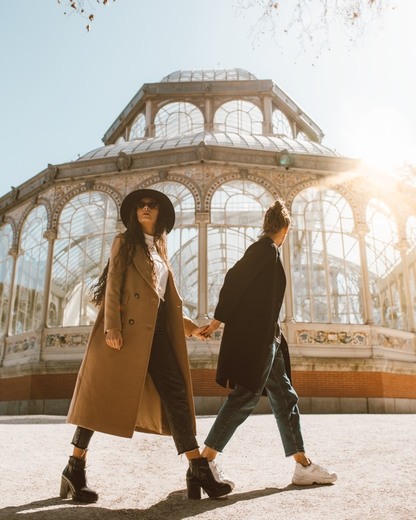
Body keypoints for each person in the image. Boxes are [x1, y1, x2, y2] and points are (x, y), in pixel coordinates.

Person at [60, 189, 233, 502]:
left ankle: (197, 467)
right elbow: (113, 285)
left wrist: (192, 329)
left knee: (177, 394)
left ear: (161, 214)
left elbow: (162, 302)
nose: (146, 208)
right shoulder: (124, 242)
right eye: (141, 204)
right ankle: (75, 466)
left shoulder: (161, 249)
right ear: (133, 212)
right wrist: (111, 326)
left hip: (158, 335)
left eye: (152, 205)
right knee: (98, 400)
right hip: (124, 334)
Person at [200, 199, 337, 487]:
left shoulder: (266, 250)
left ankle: (302, 465)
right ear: (285, 230)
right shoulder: (263, 250)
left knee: (285, 398)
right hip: (258, 340)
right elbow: (233, 278)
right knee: (246, 395)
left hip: (268, 338)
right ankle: (204, 460)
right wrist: (218, 319)